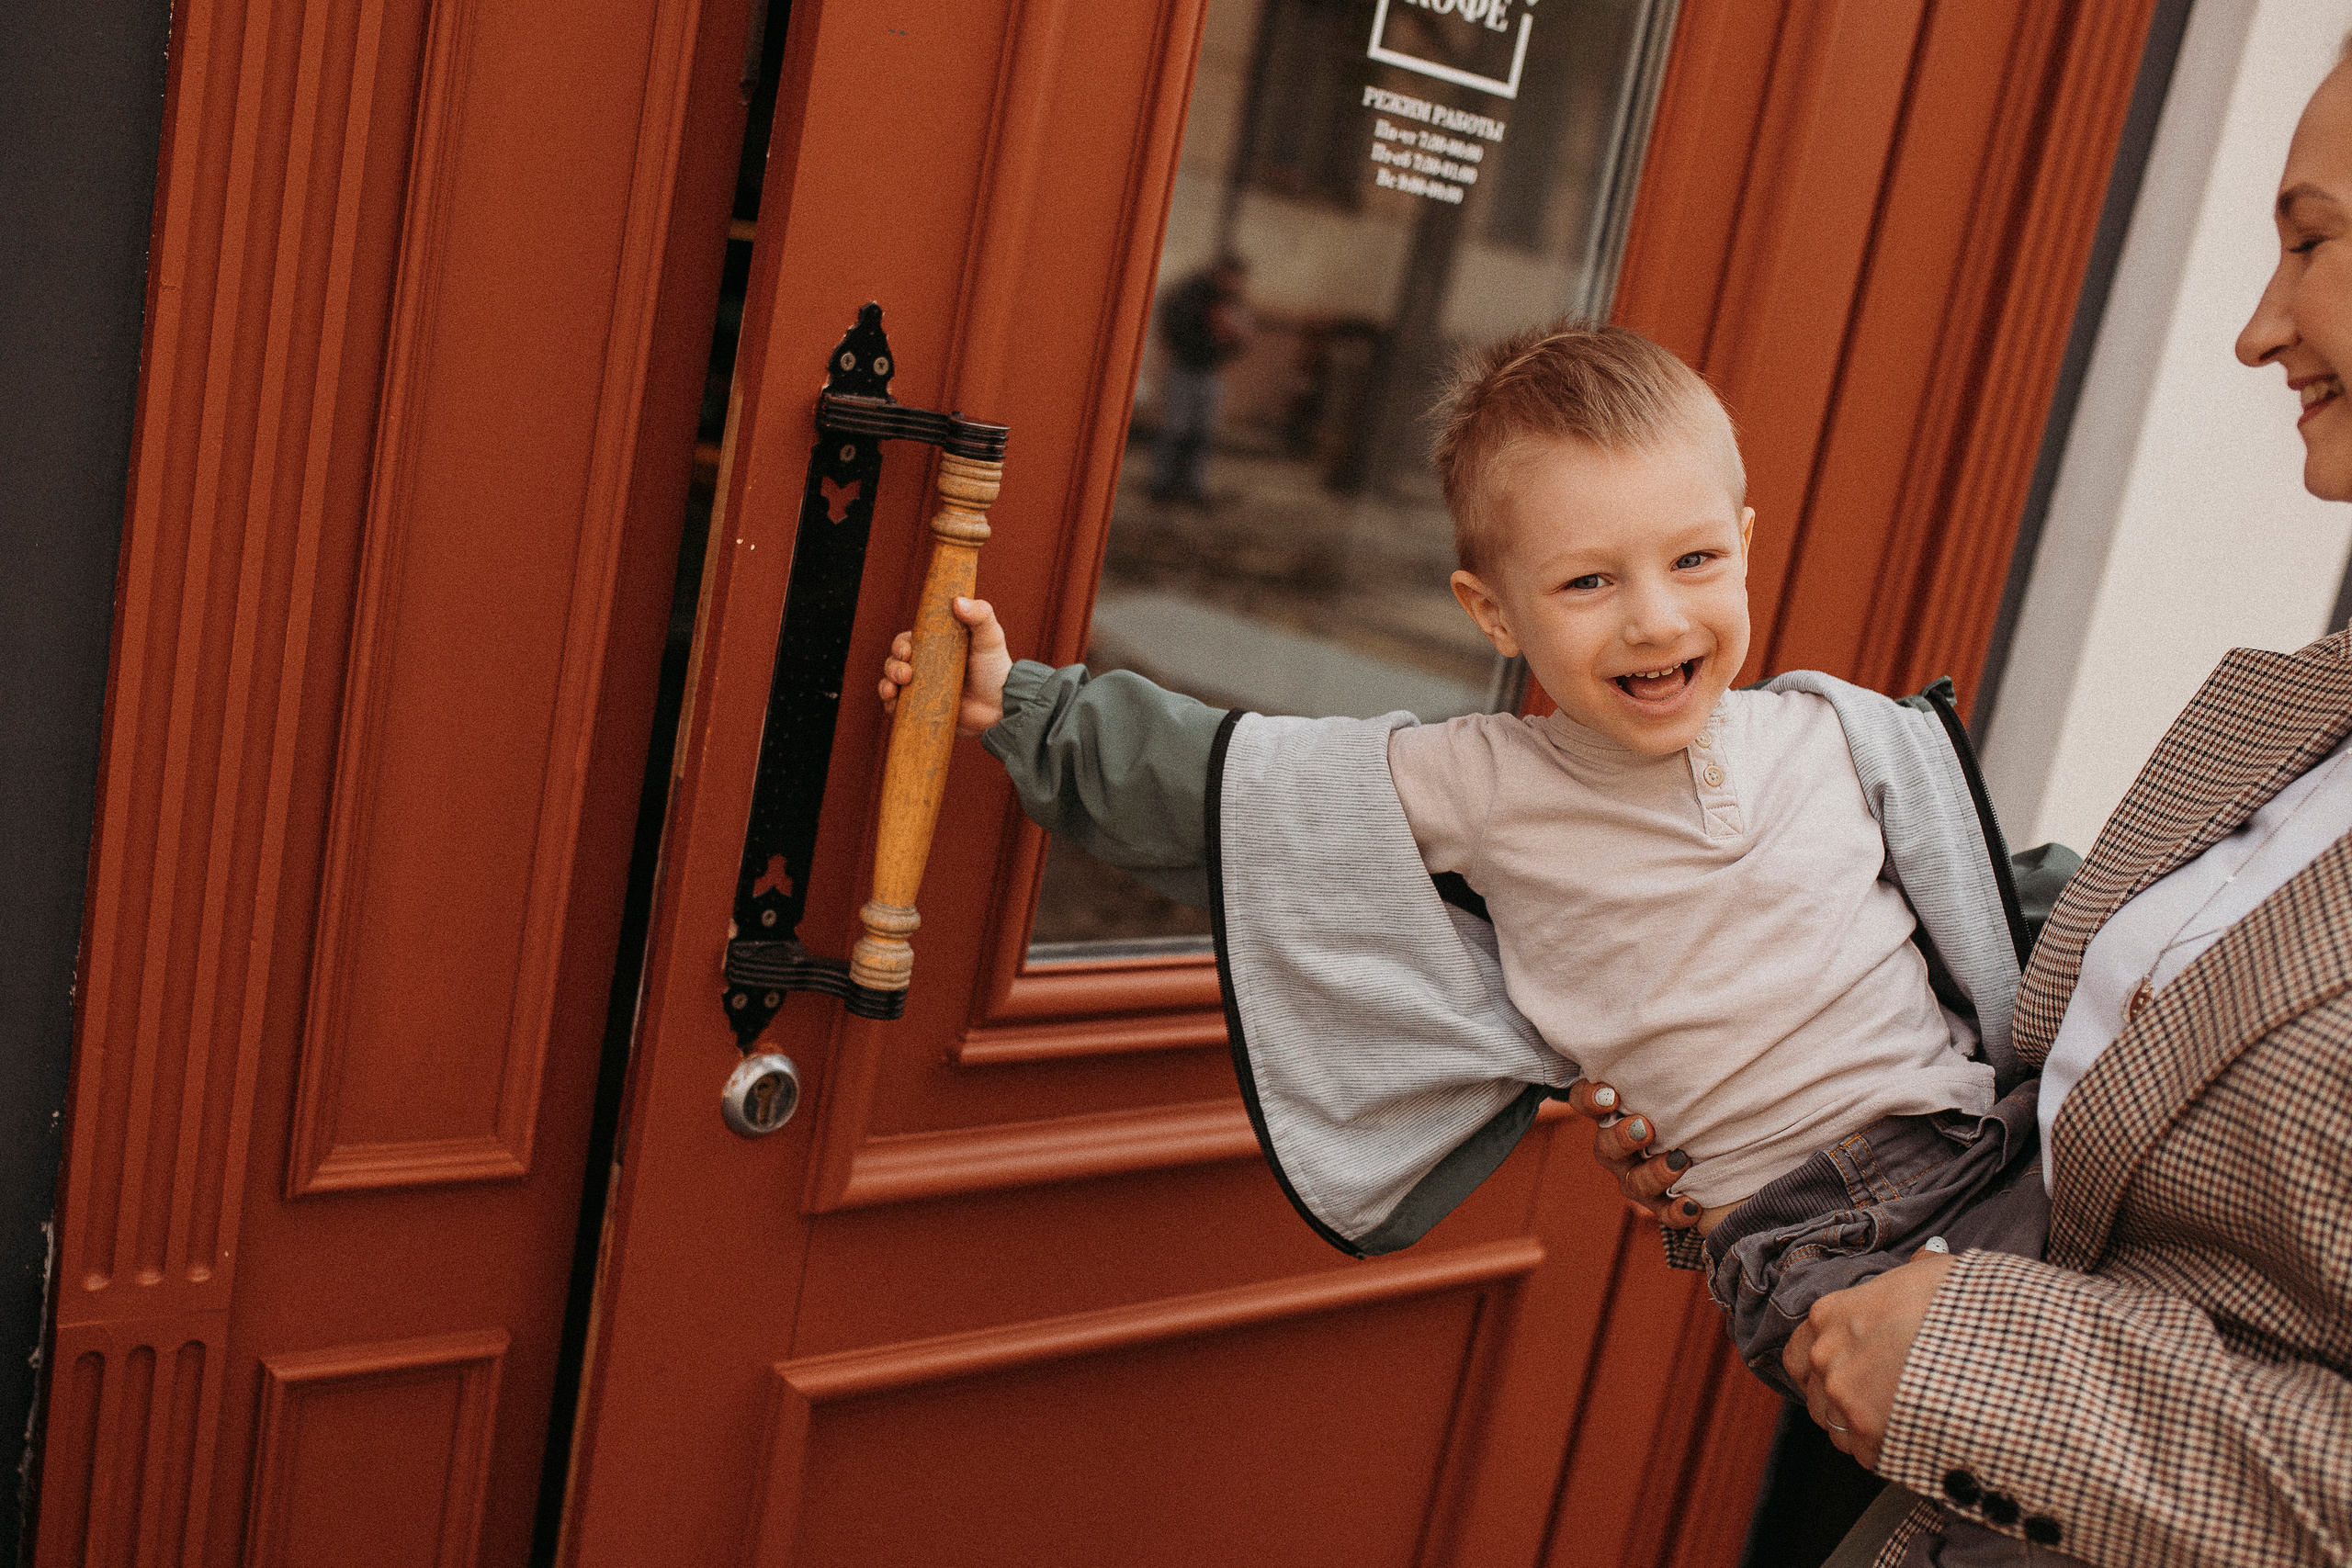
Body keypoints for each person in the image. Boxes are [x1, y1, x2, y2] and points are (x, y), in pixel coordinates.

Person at [882, 322, 2075, 1456]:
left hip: (1987, 1140)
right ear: (1491, 612)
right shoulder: (1482, 782)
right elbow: (1238, 790)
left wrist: (2171, 924)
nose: (1655, 616)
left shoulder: (1833, 734)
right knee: (1999, 1452)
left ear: (1746, 543)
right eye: (1588, 582)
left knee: (2125, 1364)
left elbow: (2004, 893)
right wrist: (1022, 708)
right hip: (1809, 1237)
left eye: (1695, 559)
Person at [1588, 49, 2352, 1568]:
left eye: (2313, 238)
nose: (2257, 327)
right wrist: (1776, 1114)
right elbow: (2098, 1146)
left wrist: (1984, 1376)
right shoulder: (2289, 722)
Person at [1148, 254, 1250, 504]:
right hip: (1184, 368)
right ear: (1221, 272)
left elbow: (1241, 336)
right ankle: (1161, 484)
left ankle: (1192, 486)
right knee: (1176, 428)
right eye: (1232, 276)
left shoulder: (1232, 300)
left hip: (1211, 372)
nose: (1234, 282)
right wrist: (1200, 340)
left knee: (1203, 433)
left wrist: (1228, 344)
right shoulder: (1192, 293)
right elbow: (1176, 324)